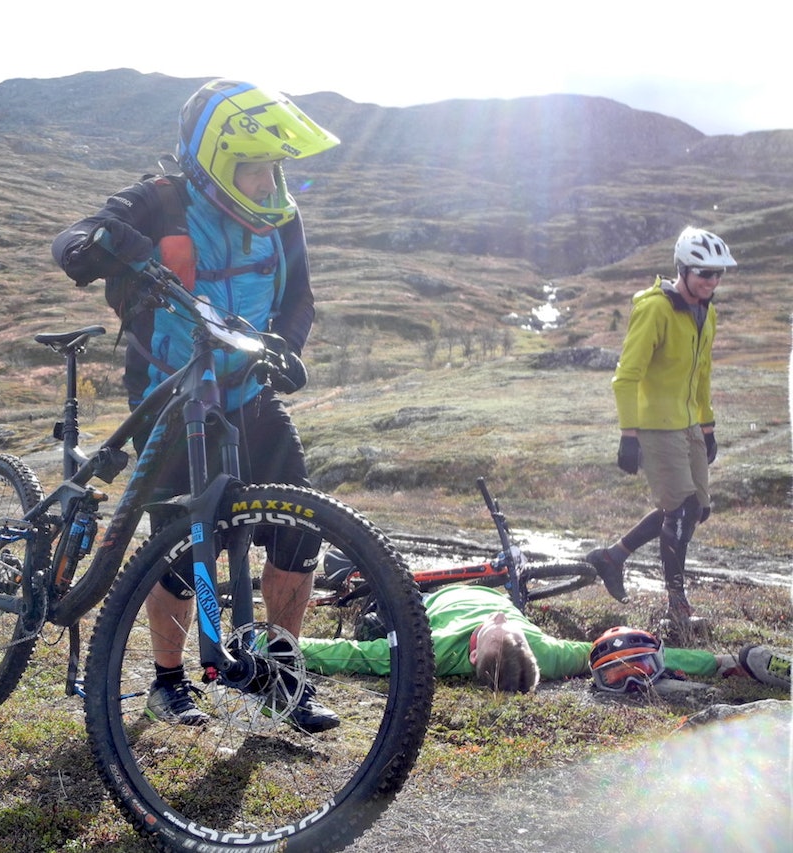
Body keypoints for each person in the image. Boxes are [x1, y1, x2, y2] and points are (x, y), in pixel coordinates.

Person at [51, 79, 340, 730]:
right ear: (212, 160)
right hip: (169, 398)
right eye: (253, 168)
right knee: (183, 550)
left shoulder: (280, 217)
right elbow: (74, 242)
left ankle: (282, 676)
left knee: (300, 533)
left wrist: (285, 348)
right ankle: (168, 681)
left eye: (274, 168)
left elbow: (299, 300)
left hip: (246, 392)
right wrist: (102, 242)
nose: (267, 182)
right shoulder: (161, 201)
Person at [585, 227, 735, 636]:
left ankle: (613, 557)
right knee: (682, 509)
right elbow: (626, 376)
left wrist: (707, 426)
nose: (712, 281)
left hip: (687, 424)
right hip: (654, 426)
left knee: (696, 509)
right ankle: (677, 608)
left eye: (719, 274)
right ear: (683, 269)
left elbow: (701, 374)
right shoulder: (655, 309)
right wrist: (628, 435)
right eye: (704, 272)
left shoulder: (707, 312)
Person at [298, 585, 791, 693]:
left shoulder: (431, 654)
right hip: (451, 592)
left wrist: (269, 646)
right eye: (501, 625)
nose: (500, 620)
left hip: (443, 598)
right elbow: (623, 654)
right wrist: (727, 660)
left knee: (372, 630)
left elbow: (349, 655)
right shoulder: (555, 655)